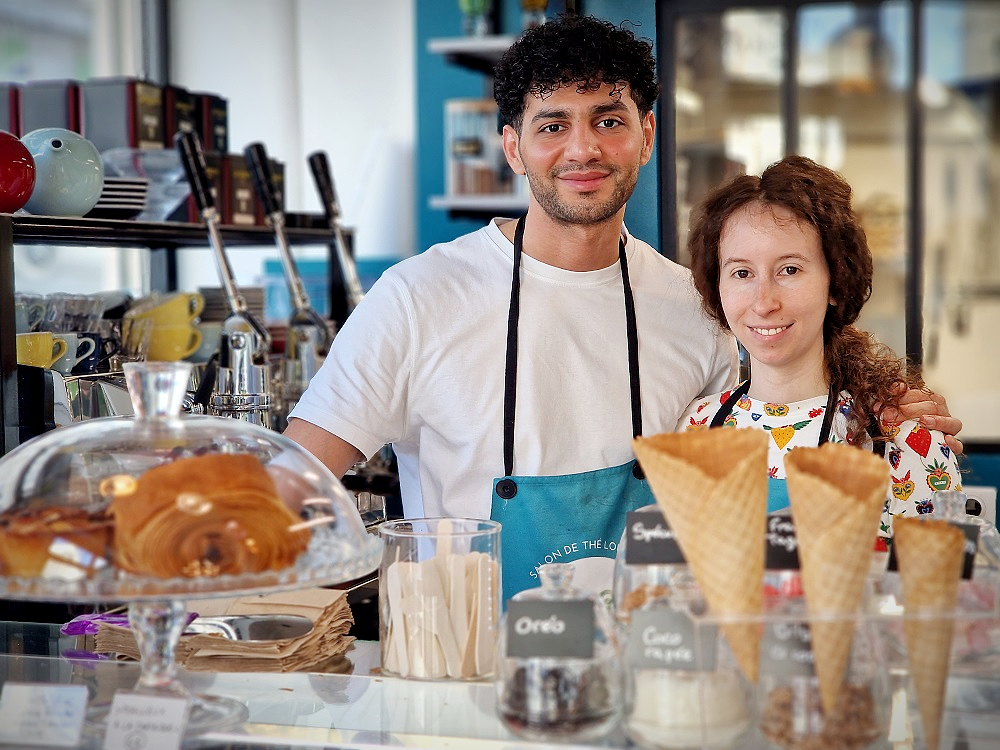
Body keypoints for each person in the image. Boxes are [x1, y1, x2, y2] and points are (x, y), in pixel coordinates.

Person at [284, 16, 960, 599]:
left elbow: (775, 413)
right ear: (513, 147)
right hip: (474, 687)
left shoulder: (695, 308)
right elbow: (292, 483)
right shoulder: (417, 299)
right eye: (553, 125)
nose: (583, 148)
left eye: (608, 120)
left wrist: (887, 405)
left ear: (645, 134)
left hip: (650, 679)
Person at [678, 155, 962, 537]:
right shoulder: (695, 428)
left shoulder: (900, 437)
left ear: (835, 279)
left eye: (789, 270)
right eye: (742, 273)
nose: (764, 302)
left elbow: (943, 590)